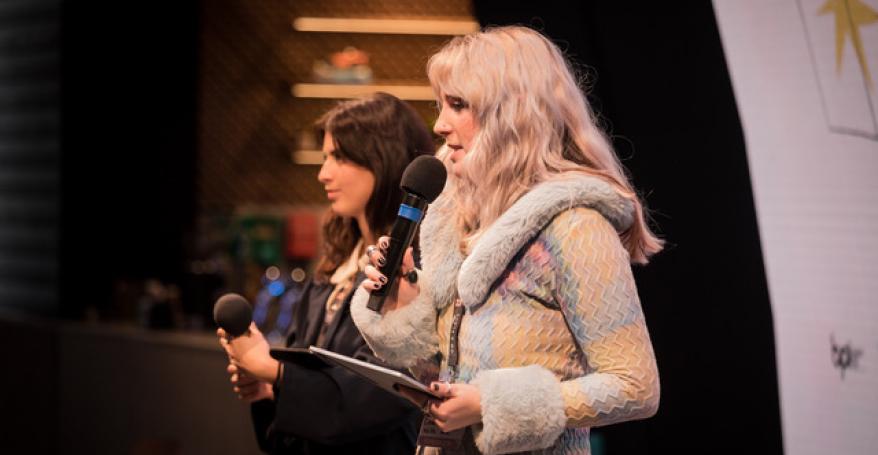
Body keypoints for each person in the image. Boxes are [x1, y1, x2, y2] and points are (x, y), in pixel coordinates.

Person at [351, 26, 663, 454]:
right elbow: (449, 372)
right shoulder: (455, 219)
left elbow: (635, 386)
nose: (440, 125)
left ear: (513, 112)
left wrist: (490, 403)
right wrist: (403, 308)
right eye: (439, 105)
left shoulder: (575, 225)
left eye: (458, 105)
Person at [217, 92, 436, 454]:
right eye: (324, 157)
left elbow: (376, 397)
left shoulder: (415, 272)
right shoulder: (332, 273)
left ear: (383, 159)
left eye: (339, 156)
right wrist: (268, 391)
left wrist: (274, 370)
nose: (323, 173)